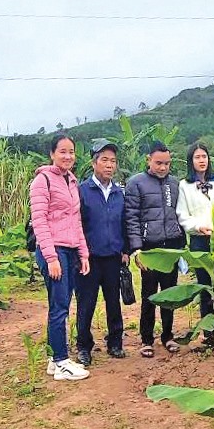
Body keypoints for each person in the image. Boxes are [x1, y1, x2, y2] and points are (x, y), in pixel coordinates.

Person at [29, 134, 91, 381]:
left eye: (72, 152)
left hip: (70, 249)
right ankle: (61, 361)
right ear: (52, 154)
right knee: (59, 306)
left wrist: (83, 253)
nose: (68, 156)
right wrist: (51, 257)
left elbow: (76, 220)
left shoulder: (71, 182)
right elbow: (39, 221)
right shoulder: (42, 181)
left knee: (62, 303)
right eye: (62, 151)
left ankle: (55, 360)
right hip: (53, 249)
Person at [124, 141, 186, 358]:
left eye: (167, 163)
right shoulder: (136, 184)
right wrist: (136, 249)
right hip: (149, 250)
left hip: (171, 248)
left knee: (170, 295)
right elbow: (131, 218)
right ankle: (146, 339)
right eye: (158, 163)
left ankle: (168, 336)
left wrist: (182, 246)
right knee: (149, 295)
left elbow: (181, 214)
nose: (163, 167)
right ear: (148, 160)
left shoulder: (175, 184)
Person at [76, 139, 129, 366]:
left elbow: (124, 223)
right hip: (88, 258)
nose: (109, 165)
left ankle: (115, 342)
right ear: (94, 163)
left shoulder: (119, 193)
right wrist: (80, 252)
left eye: (113, 161)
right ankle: (84, 347)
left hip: (113, 256)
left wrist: (126, 249)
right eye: (104, 160)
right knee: (86, 303)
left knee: (113, 302)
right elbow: (76, 223)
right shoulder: (82, 191)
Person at [176, 143, 214, 329]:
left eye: (204, 157)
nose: (202, 160)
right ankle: (209, 331)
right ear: (191, 161)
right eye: (197, 157)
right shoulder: (184, 185)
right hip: (199, 240)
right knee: (205, 285)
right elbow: (182, 214)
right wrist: (197, 227)